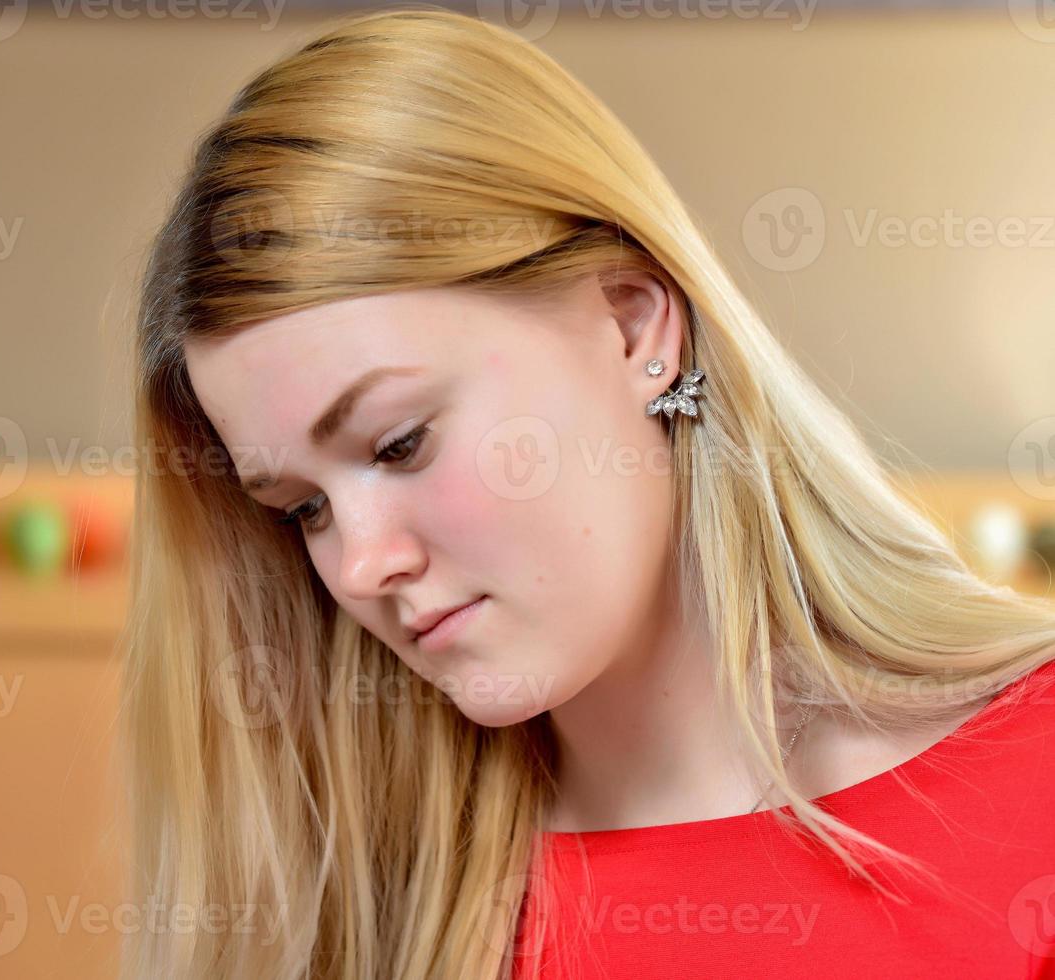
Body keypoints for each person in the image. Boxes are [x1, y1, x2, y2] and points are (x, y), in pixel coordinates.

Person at [117, 7, 1055, 978]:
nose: (359, 563)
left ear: (631, 324)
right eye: (301, 508)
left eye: (399, 443)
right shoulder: (355, 912)